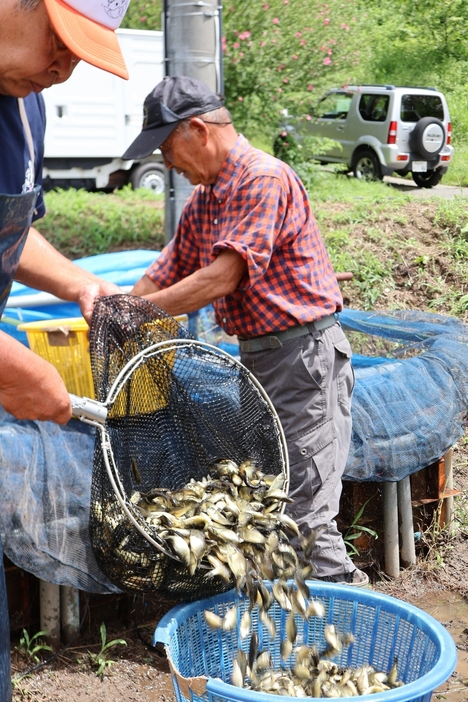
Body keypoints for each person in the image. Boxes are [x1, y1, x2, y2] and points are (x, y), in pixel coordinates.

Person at [124, 75, 369, 589]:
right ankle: (295, 632)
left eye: (168, 148)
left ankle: (348, 626)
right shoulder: (207, 199)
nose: (168, 163)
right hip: (258, 363)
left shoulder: (262, 177)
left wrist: (140, 314)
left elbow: (221, 277)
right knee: (268, 502)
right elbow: (167, 269)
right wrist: (118, 307)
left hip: (303, 359)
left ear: (197, 130)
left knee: (304, 510)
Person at [0, 0, 133, 698]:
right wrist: (20, 368)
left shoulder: (23, 97)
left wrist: (79, 283)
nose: (61, 72)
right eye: (59, 44)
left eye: (80, 57)